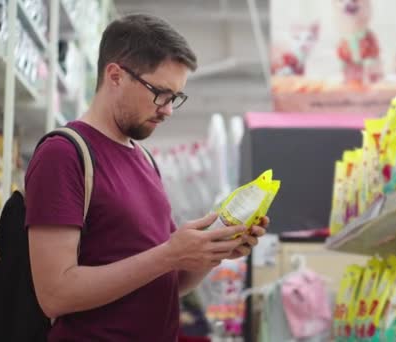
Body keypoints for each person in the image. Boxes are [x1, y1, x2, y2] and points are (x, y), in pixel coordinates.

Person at [24, 14, 268, 341]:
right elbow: (55, 294)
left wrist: (212, 252)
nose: (167, 109)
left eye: (175, 98)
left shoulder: (144, 160)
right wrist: (169, 253)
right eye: (161, 93)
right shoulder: (64, 154)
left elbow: (169, 281)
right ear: (115, 76)